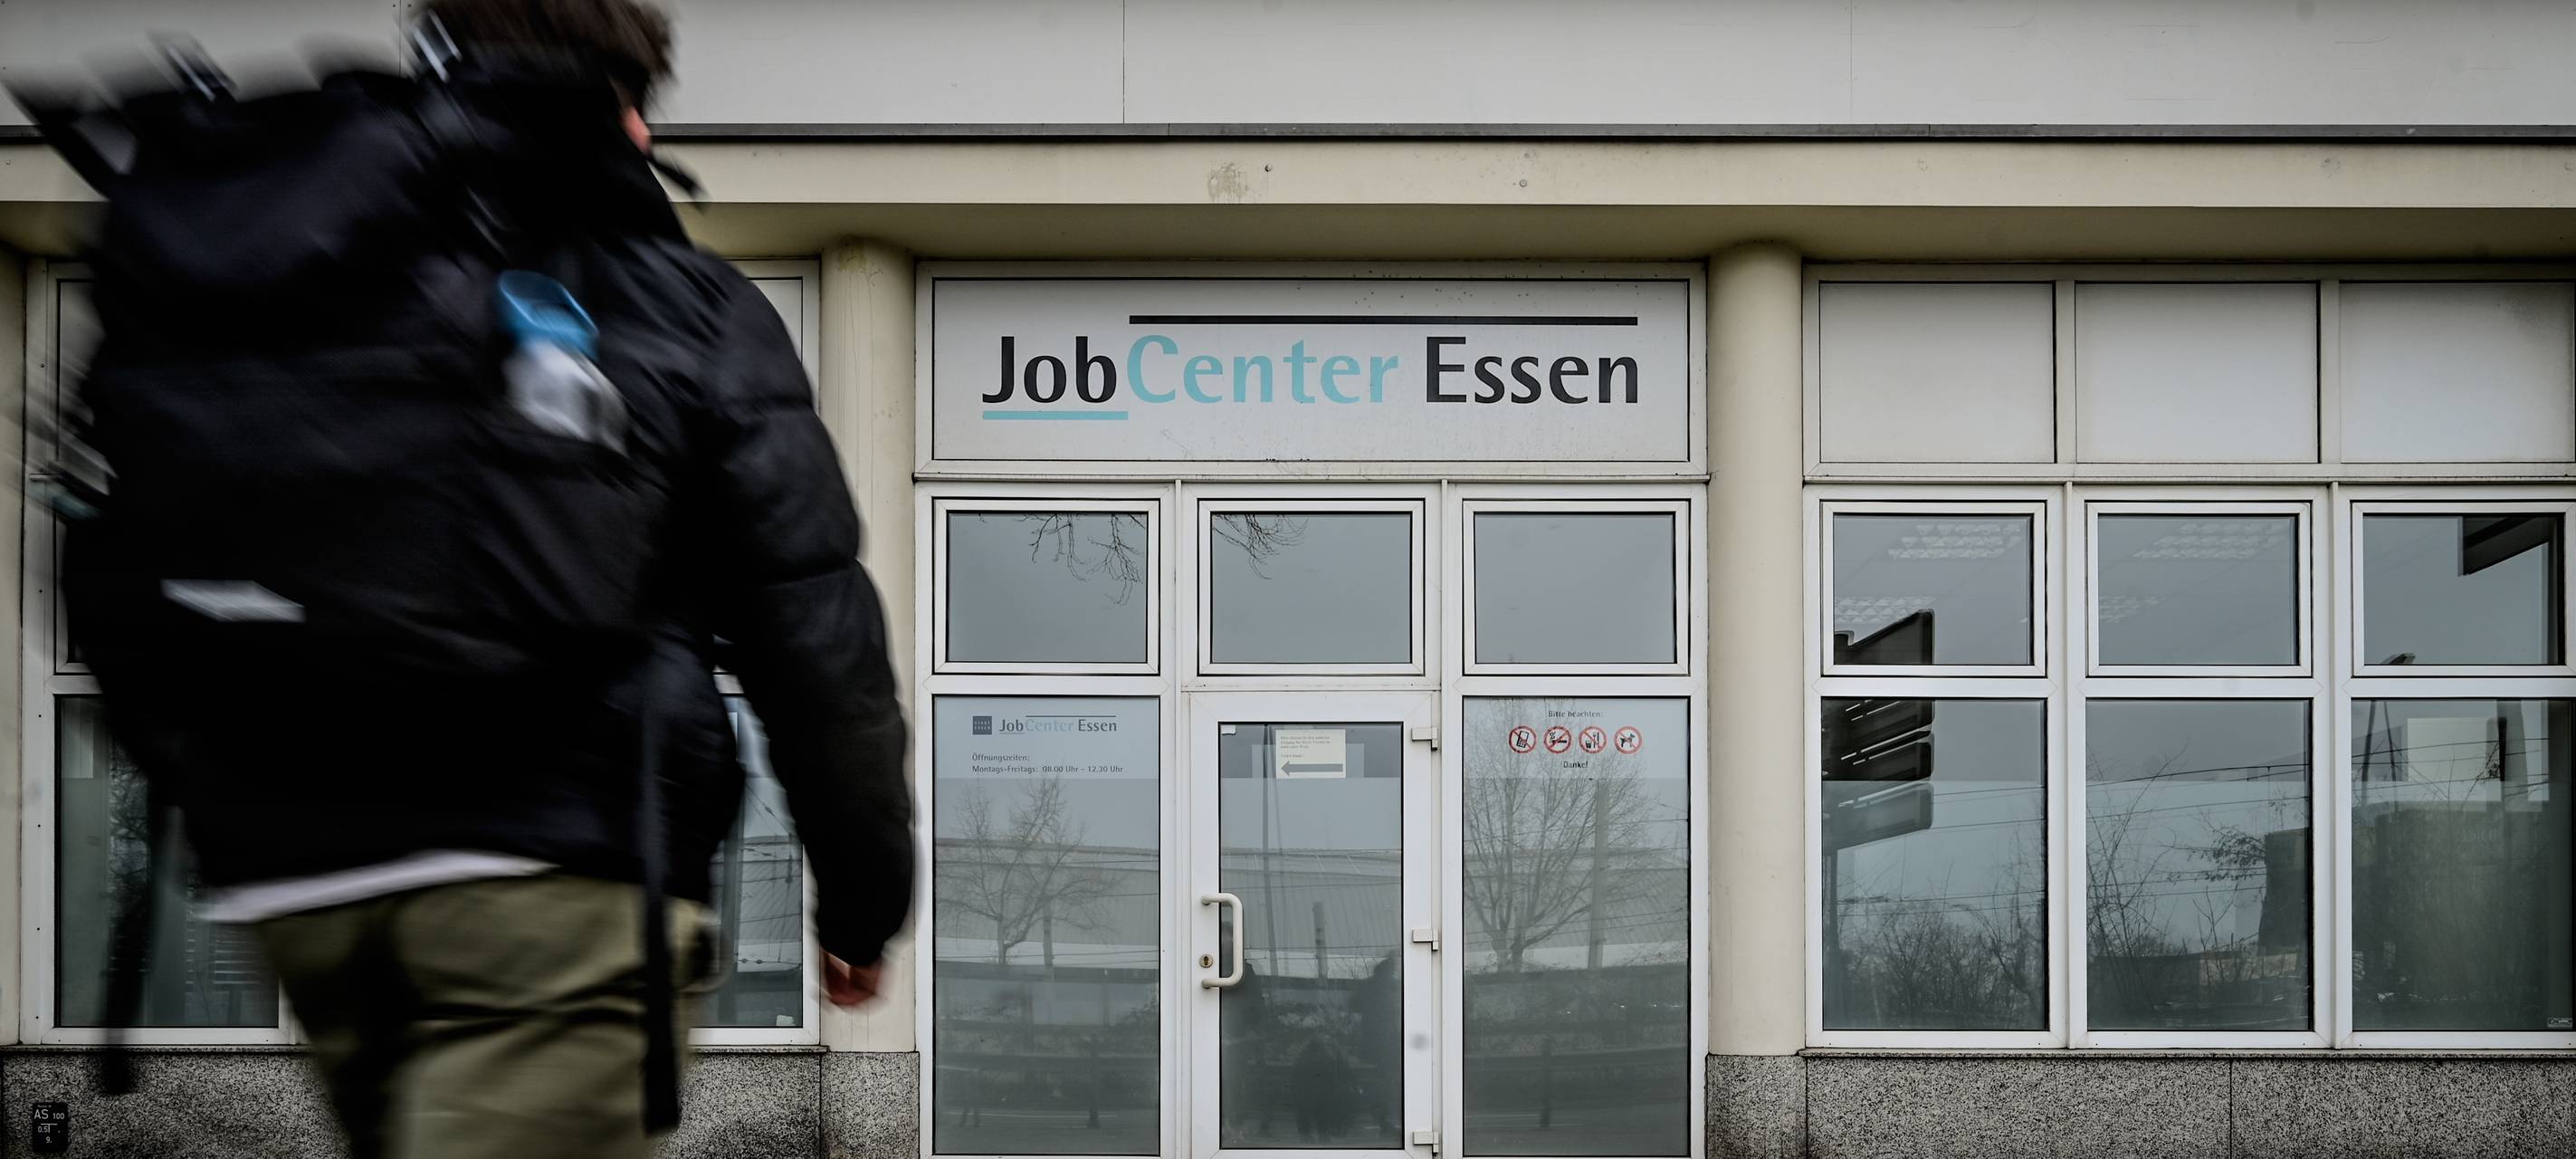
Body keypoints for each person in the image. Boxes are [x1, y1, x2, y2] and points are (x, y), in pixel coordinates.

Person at [19, 2, 912, 1156]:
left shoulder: (266, 272)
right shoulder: (674, 301)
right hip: (555, 876)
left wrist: (239, 796)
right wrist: (862, 900)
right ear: (626, 117)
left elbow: (114, 566)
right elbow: (815, 640)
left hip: (301, 880)